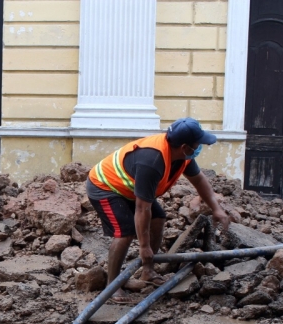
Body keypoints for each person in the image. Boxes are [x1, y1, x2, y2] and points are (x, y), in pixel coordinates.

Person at [86, 117, 231, 303]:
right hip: (105, 186)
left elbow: (199, 181)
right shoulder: (152, 161)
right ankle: (112, 286)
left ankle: (148, 271)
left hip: (130, 188)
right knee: (125, 232)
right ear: (185, 147)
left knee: (158, 218)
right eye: (198, 144)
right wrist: (144, 247)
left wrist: (216, 209)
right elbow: (142, 208)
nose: (201, 147)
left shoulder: (181, 156)